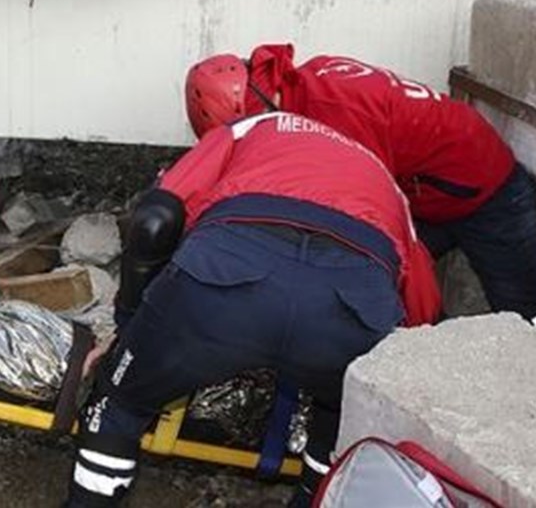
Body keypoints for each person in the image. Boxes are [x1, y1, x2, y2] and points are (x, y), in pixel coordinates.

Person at [66, 111, 442, 508]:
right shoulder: (382, 176)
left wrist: (129, 330)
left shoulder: (259, 126)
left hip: (227, 272)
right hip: (351, 303)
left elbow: (156, 219)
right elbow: (424, 307)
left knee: (120, 402)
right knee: (341, 426)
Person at [185, 45, 536, 334]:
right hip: (426, 193)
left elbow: (367, 206)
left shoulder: (332, 111)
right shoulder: (302, 83)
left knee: (529, 320)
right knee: (386, 303)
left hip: (489, 191)